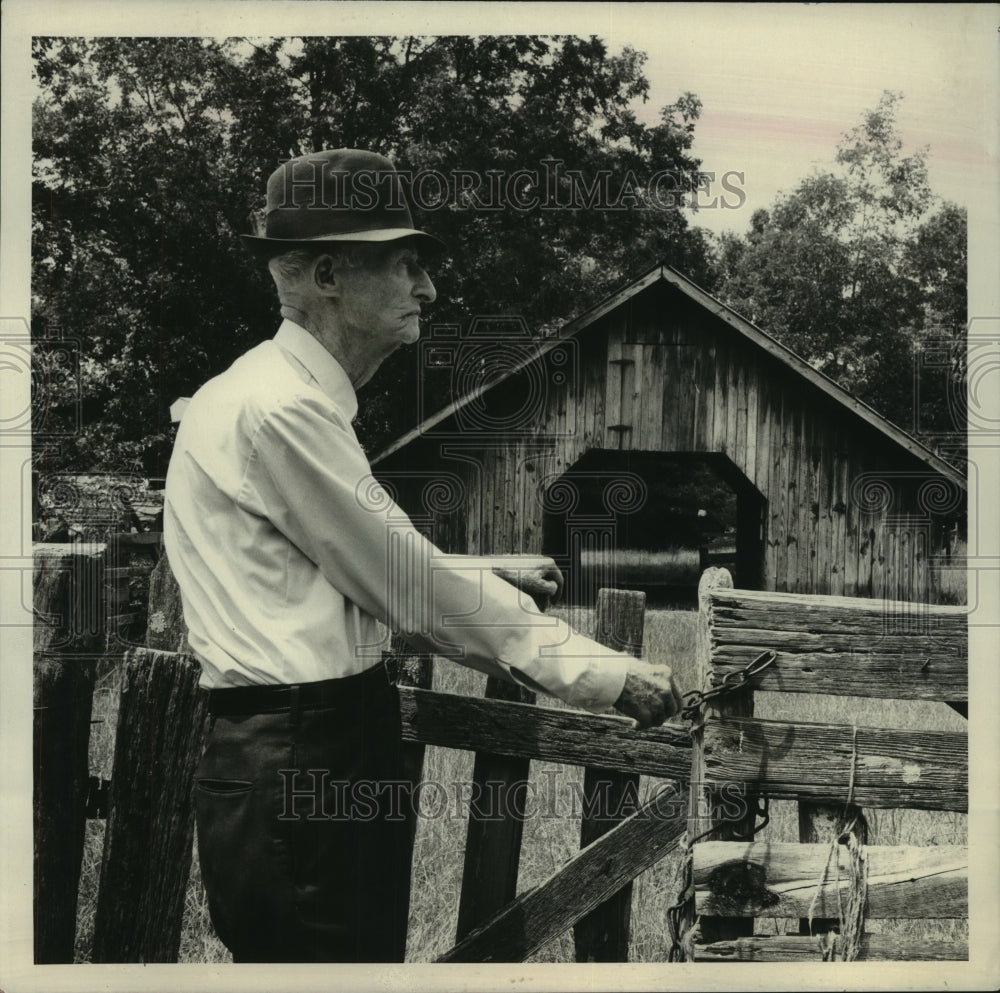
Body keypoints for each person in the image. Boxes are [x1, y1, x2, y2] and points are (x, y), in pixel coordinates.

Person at [163, 148, 684, 964]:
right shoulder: (283, 411)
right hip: (306, 755)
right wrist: (608, 675)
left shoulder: (263, 394)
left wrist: (480, 573)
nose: (429, 290)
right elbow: (405, 585)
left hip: (300, 750)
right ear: (328, 275)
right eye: (405, 265)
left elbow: (331, 572)